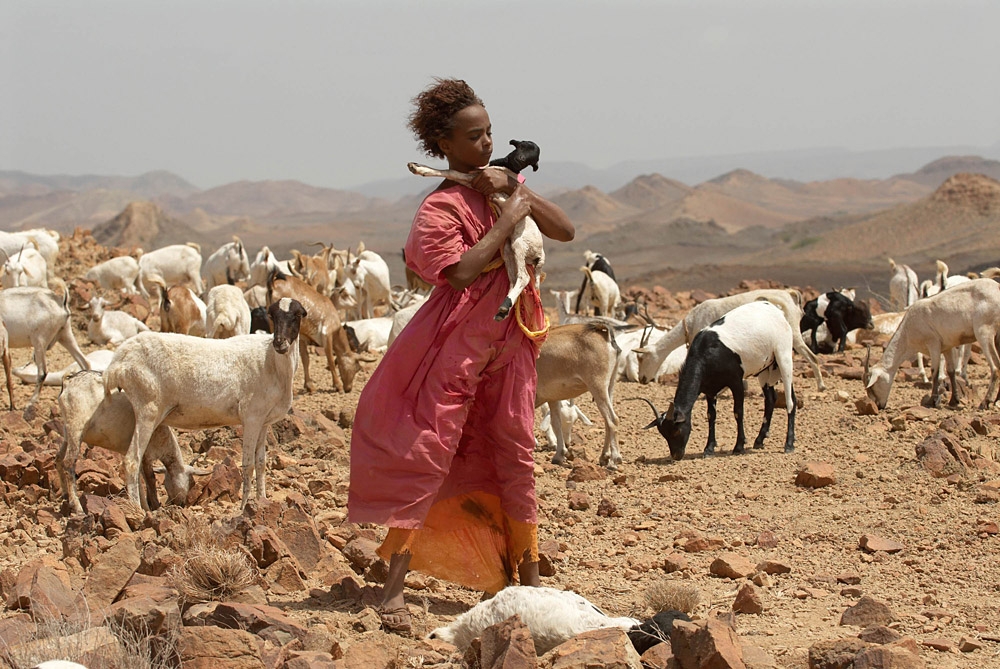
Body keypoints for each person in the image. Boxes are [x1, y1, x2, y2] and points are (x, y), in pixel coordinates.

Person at [347, 78, 575, 636]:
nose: (486, 143)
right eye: (474, 137)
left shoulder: (503, 185)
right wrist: (508, 218)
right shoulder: (439, 206)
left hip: (513, 344)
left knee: (516, 451)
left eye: (490, 133)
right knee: (433, 451)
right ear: (444, 145)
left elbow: (565, 231)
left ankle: (528, 585)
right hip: (455, 346)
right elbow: (459, 272)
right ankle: (393, 587)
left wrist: (517, 190)